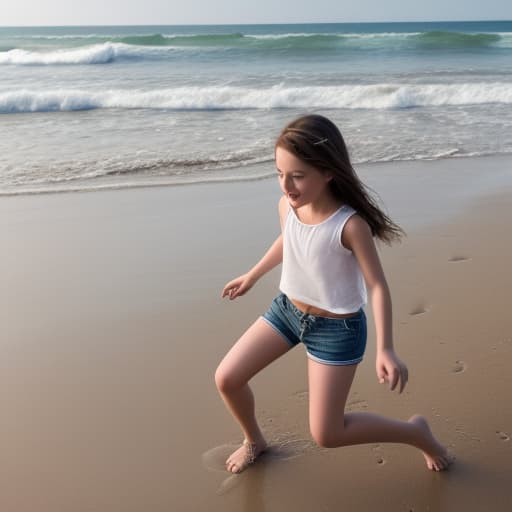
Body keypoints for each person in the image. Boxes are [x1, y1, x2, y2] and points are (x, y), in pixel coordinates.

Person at [215, 114, 452, 474]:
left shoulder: (350, 225)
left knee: (327, 433)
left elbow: (377, 286)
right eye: (280, 173)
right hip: (287, 312)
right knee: (227, 378)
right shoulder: (288, 206)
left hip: (336, 331)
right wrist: (253, 274)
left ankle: (415, 432)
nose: (286, 185)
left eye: (297, 175)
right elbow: (290, 241)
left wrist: (385, 348)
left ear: (328, 172)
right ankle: (254, 441)